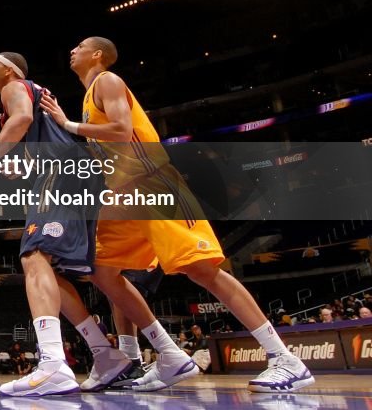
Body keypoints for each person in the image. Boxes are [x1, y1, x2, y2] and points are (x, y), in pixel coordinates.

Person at [41, 37, 314, 393]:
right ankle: (169, 354)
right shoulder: (89, 96)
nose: (72, 49)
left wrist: (68, 125)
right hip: (124, 195)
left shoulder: (107, 81)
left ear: (98, 54)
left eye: (80, 46)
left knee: (202, 271)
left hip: (154, 185)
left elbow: (123, 132)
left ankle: (284, 358)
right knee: (100, 270)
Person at [0, 53, 132, 397]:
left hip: (61, 174)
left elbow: (22, 119)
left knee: (33, 257)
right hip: (77, 174)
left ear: (9, 69)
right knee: (49, 272)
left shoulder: (13, 86)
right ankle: (105, 355)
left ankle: (53, 365)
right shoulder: (34, 91)